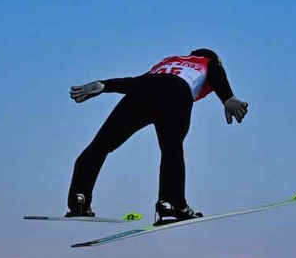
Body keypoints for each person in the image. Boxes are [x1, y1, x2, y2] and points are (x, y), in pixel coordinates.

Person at [66, 48, 248, 223]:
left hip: (143, 90)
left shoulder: (170, 61)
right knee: (171, 148)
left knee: (101, 144)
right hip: (176, 92)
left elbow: (136, 81)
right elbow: (216, 72)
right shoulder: (207, 63)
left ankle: (78, 199)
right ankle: (171, 203)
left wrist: (105, 85)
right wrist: (228, 97)